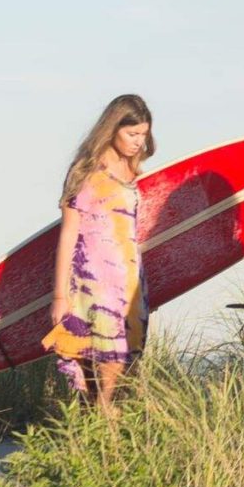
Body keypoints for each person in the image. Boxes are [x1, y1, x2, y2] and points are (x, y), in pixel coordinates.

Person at [42, 93, 152, 416]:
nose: (138, 142)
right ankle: (107, 426)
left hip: (130, 278)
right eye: (132, 134)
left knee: (123, 359)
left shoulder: (133, 169)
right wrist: (59, 296)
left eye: (143, 135)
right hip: (95, 279)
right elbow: (68, 234)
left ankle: (99, 427)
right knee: (107, 357)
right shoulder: (86, 171)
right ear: (112, 128)